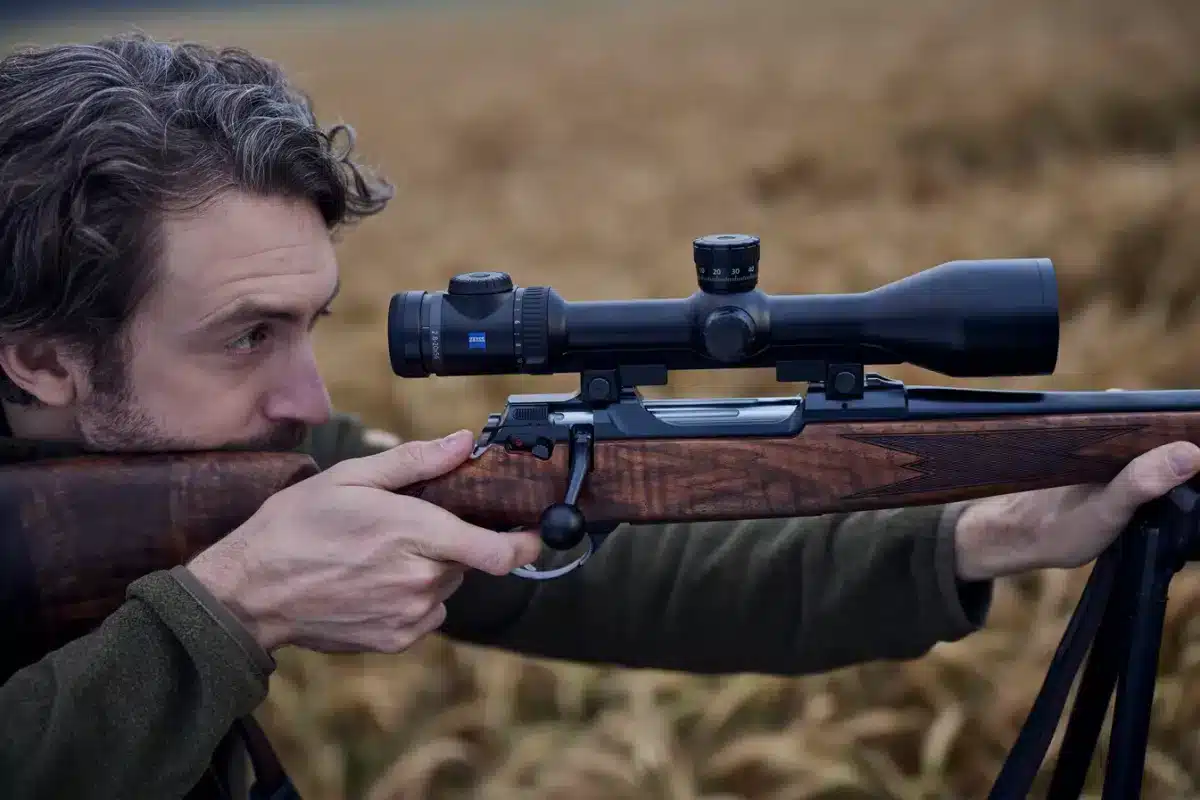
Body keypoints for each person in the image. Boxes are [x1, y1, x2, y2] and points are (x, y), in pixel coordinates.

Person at [0, 32, 1196, 800]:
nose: (310, 399)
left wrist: (989, 529)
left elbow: (625, 575)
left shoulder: (269, 459)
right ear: (42, 357)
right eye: (247, 335)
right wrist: (228, 612)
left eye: (313, 322)